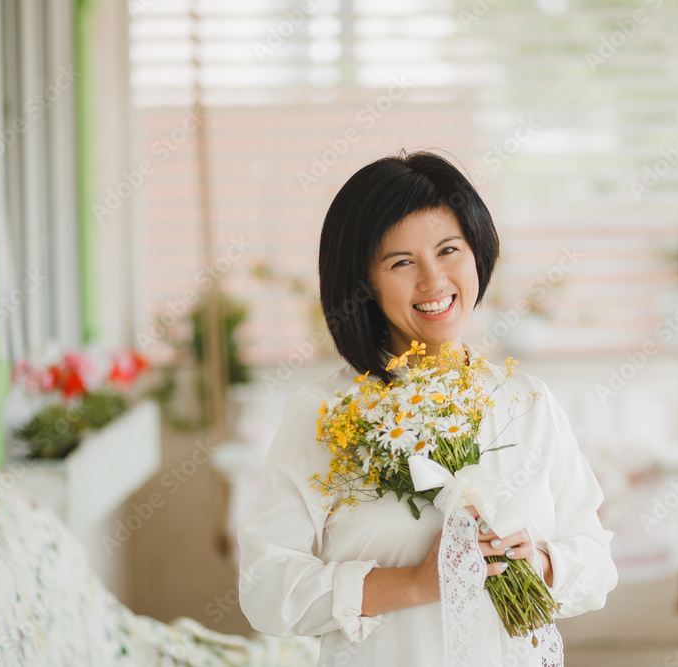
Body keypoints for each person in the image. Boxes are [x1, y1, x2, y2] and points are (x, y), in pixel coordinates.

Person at [238, 151, 617, 666]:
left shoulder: (526, 402)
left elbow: (595, 559)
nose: (433, 280)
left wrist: (543, 566)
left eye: (448, 250)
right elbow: (266, 589)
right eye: (401, 262)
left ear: (477, 252)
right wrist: (416, 584)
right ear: (363, 284)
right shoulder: (326, 415)